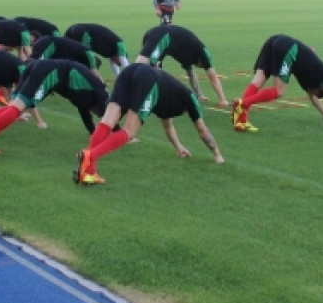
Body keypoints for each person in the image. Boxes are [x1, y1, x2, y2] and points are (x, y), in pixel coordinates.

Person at [73, 63, 223, 186]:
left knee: (107, 122)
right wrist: (217, 154)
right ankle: (89, 155)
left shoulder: (171, 101)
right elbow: (202, 130)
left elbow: (168, 126)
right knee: (129, 131)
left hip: (130, 70)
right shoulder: (192, 100)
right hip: (149, 80)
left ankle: (89, 173)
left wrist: (179, 147)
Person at [0, 59, 108, 155]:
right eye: (96, 112)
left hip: (37, 66)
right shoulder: (99, 91)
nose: (93, 112)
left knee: (13, 106)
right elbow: (107, 113)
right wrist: (116, 130)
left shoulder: (86, 96)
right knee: (17, 108)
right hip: (49, 71)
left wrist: (93, 131)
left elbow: (85, 113)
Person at [231, 34, 323, 132]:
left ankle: (240, 120)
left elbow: (313, 97)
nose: (313, 94)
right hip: (287, 47)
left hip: (274, 40)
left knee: (257, 81)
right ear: (320, 88)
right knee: (278, 91)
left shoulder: (308, 81)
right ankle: (242, 103)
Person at [136, 24, 229, 106]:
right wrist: (223, 99)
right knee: (140, 65)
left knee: (155, 72)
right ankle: (131, 96)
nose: (201, 67)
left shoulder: (188, 58)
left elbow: (191, 75)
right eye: (202, 66)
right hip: (163, 35)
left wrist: (200, 95)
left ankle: (149, 97)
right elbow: (213, 77)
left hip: (158, 39)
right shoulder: (203, 52)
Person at [63, 22, 131, 75]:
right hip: (83, 33)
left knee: (65, 53)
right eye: (119, 63)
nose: (116, 63)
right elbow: (126, 65)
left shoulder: (111, 54)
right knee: (89, 61)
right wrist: (130, 76)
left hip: (74, 29)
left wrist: (118, 77)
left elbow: (113, 63)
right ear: (120, 56)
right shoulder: (120, 45)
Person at [30, 34, 102, 77]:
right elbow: (94, 72)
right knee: (32, 66)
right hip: (49, 44)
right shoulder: (89, 55)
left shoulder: (78, 59)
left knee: (34, 66)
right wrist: (103, 87)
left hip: (50, 47)